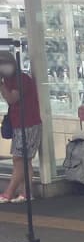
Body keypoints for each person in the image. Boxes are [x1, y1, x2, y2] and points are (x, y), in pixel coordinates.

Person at [0, 51, 42, 204]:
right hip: (20, 124)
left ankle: (9, 192)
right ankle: (26, 192)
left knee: (20, 159)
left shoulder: (21, 79)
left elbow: (11, 99)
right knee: (24, 160)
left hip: (28, 123)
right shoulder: (9, 79)